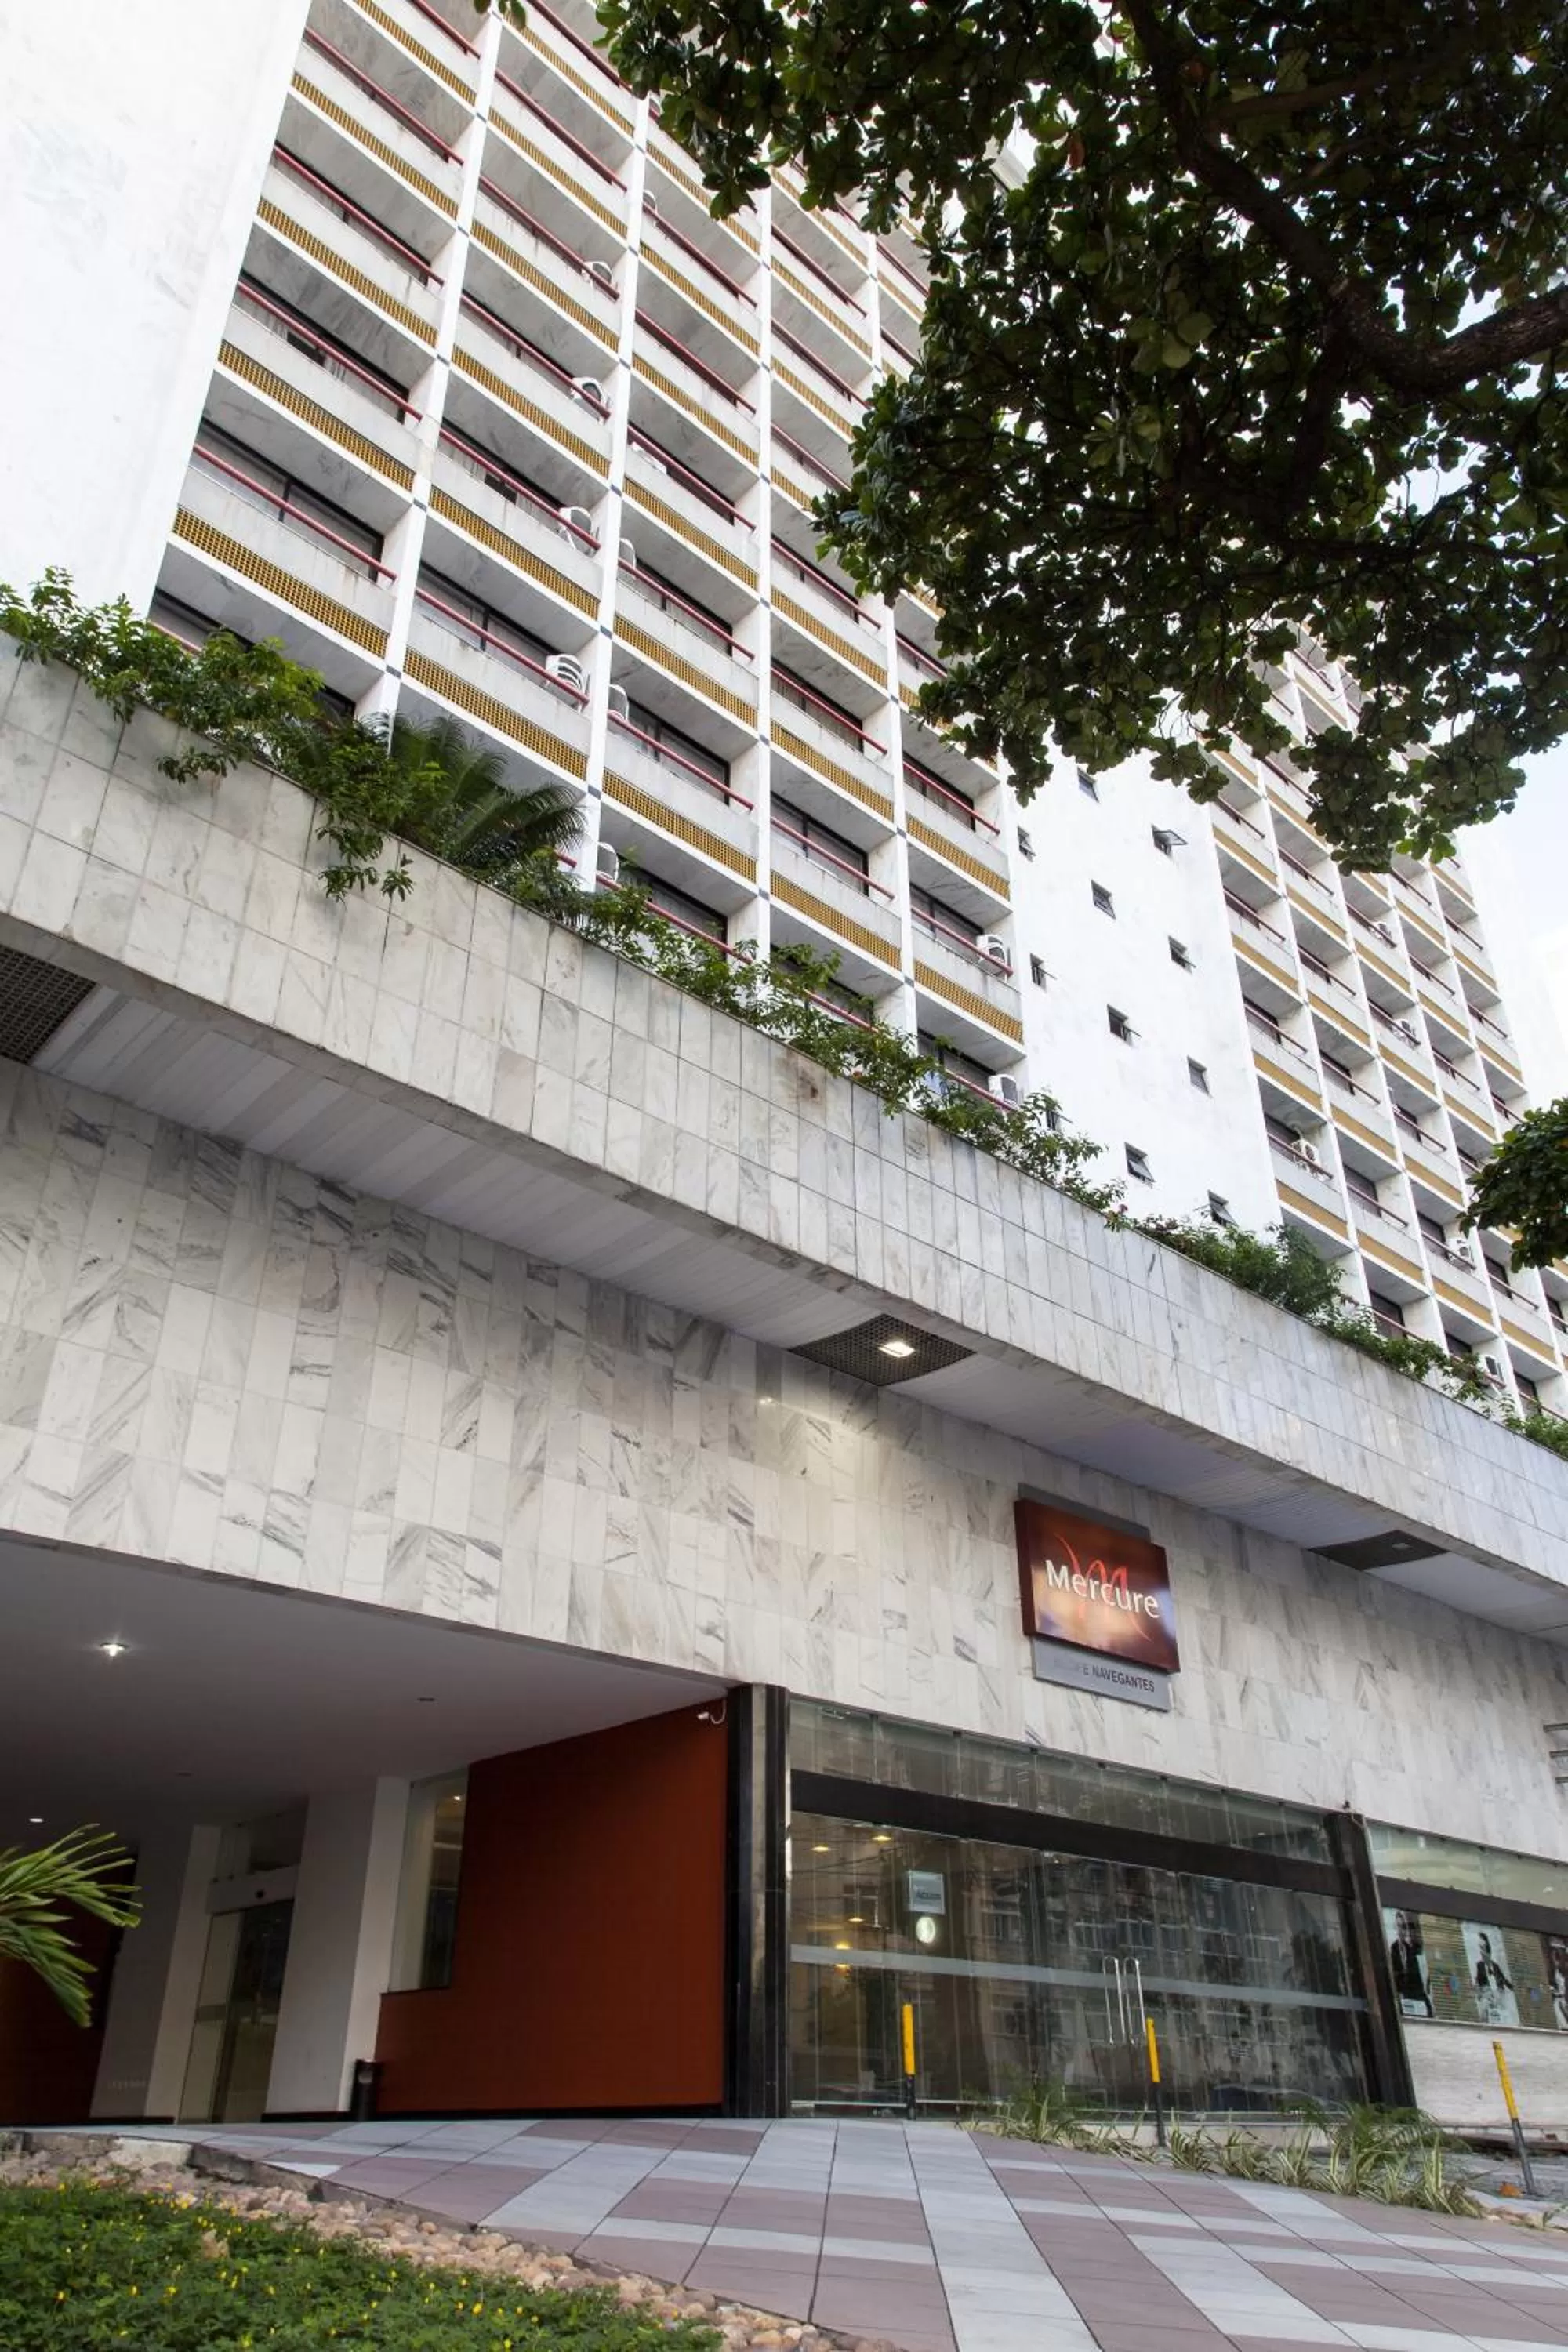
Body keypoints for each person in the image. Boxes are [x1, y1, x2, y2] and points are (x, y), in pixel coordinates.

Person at [1388, 1911, 1432, 2016]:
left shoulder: (1412, 1950)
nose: (1401, 1930)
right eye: (1399, 1926)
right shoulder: (1392, 1950)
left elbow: (1421, 1981)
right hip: (1403, 2000)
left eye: (1404, 1927)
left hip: (1416, 1999)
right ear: (1395, 1928)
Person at [1473, 1933, 1514, 2024]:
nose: (1484, 1952)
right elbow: (1477, 1981)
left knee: (1502, 2012)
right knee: (1486, 2010)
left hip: (1498, 1994)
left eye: (1486, 1949)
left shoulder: (1495, 1966)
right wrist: (1479, 1993)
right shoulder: (1479, 1965)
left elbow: (1503, 1979)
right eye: (1482, 1949)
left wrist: (1512, 1987)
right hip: (1487, 1993)